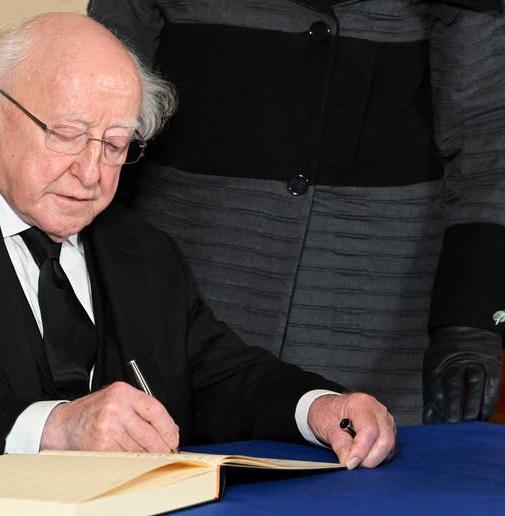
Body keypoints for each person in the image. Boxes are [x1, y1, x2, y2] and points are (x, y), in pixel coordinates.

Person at [0, 12, 396, 472]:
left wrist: (318, 407)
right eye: (68, 136)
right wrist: (56, 427)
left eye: (116, 145)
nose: (92, 174)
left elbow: (217, 373)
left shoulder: (139, 245)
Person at [87, 0, 505, 426]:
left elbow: (489, 141)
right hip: (188, 288)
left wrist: (470, 318)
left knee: (364, 470)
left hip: (375, 309)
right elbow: (97, 115)